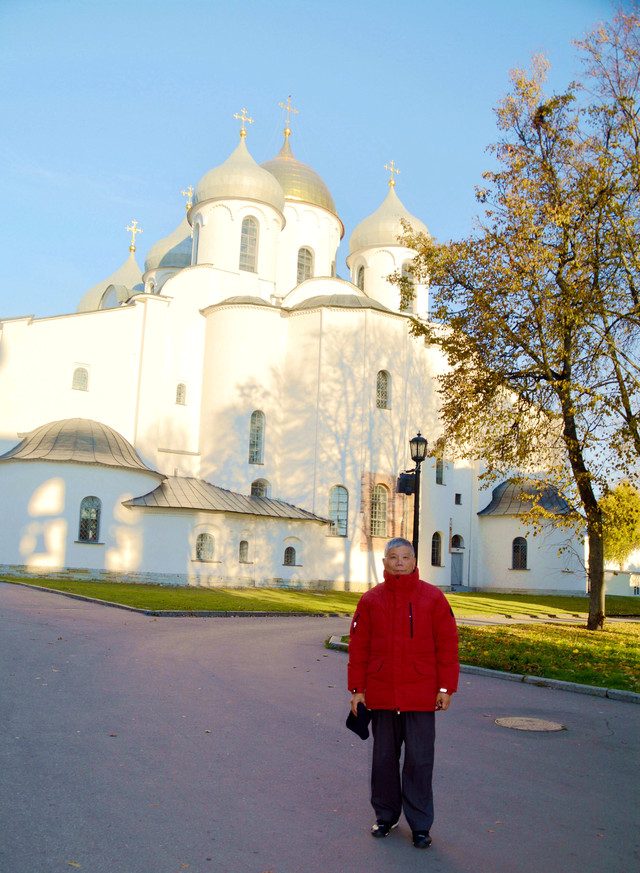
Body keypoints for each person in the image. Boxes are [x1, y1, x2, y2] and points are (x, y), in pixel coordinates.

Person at [348, 537, 459, 849]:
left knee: (420, 762)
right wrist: (357, 690)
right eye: (393, 557)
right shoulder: (370, 600)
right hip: (382, 695)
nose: (399, 562)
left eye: (405, 557)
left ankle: (421, 825)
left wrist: (445, 687)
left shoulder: (433, 598)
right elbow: (359, 649)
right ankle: (386, 816)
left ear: (414, 562)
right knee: (383, 760)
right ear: (384, 563)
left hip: (421, 696)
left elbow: (448, 646)